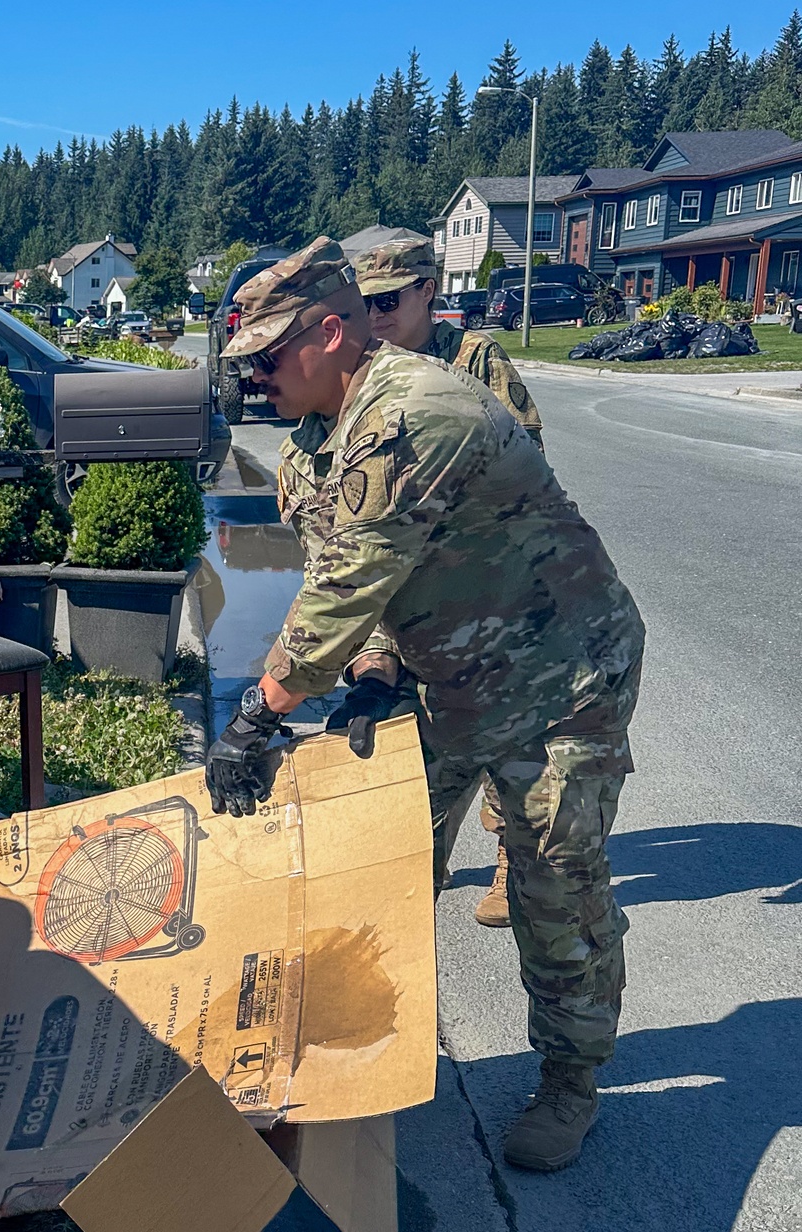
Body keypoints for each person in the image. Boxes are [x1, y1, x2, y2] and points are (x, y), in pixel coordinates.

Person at [205, 237, 645, 1172]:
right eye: (246, 361)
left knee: (551, 884)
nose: (256, 376)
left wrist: (258, 713)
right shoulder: (311, 450)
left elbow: (347, 579)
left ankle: (572, 1080)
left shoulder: (415, 412)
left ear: (332, 333)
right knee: (383, 864)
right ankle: (376, 1057)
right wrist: (370, 670)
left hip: (558, 677)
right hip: (448, 680)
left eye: (271, 356)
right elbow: (356, 590)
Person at [352, 238, 546, 928]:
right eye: (364, 303)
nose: (375, 314)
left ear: (428, 291)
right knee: (415, 753)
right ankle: (417, 873)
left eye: (388, 301)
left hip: (484, 583)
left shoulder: (476, 360)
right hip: (404, 590)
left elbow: (523, 457)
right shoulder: (366, 371)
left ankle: (507, 859)